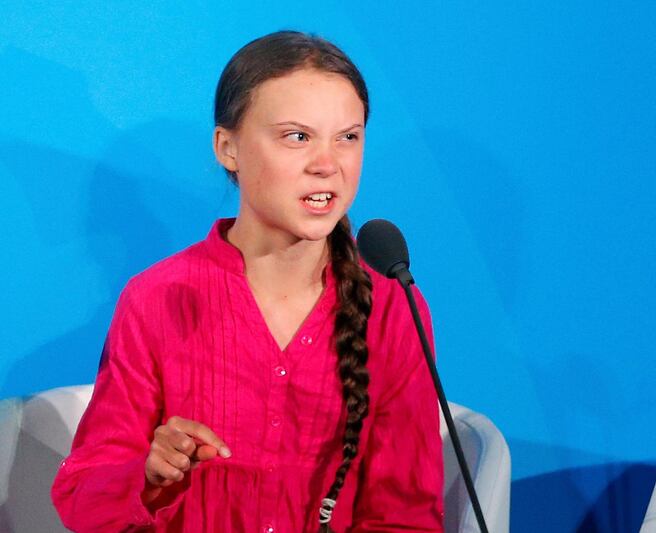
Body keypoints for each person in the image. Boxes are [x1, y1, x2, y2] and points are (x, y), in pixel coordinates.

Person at [51, 31, 444, 532]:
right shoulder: (155, 298)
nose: (328, 165)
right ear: (228, 147)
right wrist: (148, 477)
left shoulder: (391, 307)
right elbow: (82, 498)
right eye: (297, 136)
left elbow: (405, 516)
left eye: (348, 136)